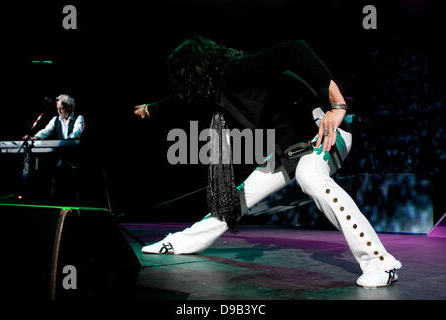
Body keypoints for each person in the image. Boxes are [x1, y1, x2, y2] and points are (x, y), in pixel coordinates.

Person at [134, 36, 401, 288]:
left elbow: (295, 49)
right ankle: (178, 243)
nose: (181, 85)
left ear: (193, 70)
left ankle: (381, 262)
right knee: (236, 200)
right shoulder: (219, 88)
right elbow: (183, 100)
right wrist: (153, 108)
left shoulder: (237, 70)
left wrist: (337, 105)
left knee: (311, 178)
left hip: (323, 134)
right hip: (289, 151)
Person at [24, 94, 85, 204]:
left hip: (75, 162)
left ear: (69, 108)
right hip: (61, 161)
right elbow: (45, 131)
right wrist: (34, 137)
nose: (59, 112)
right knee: (55, 187)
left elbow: (76, 132)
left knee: (73, 190)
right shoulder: (56, 119)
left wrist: (65, 142)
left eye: (61, 109)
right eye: (57, 109)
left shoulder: (78, 118)